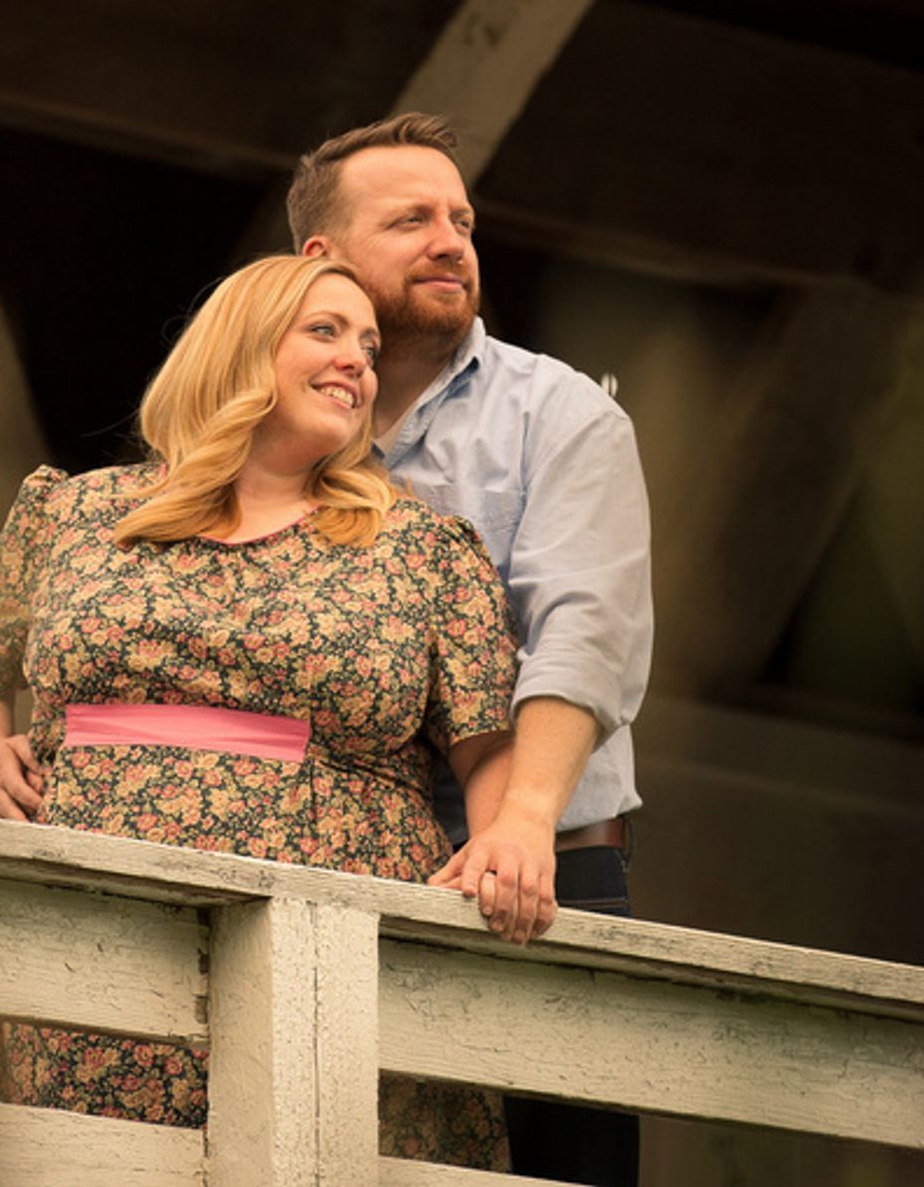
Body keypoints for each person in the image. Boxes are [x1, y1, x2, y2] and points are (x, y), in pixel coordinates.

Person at [0, 253, 525, 1169]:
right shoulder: (76, 512)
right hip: (82, 928)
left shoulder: (424, 548)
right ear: (239, 348)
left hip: (321, 961)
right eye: (325, 331)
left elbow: (485, 745)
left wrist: (504, 838)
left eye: (368, 344)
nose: (359, 360)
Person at [289, 113, 652, 1187]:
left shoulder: (562, 414)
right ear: (321, 259)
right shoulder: (271, 422)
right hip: (327, 869)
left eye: (462, 219)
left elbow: (582, 630)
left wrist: (523, 824)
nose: (451, 239)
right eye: (410, 220)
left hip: (537, 872)